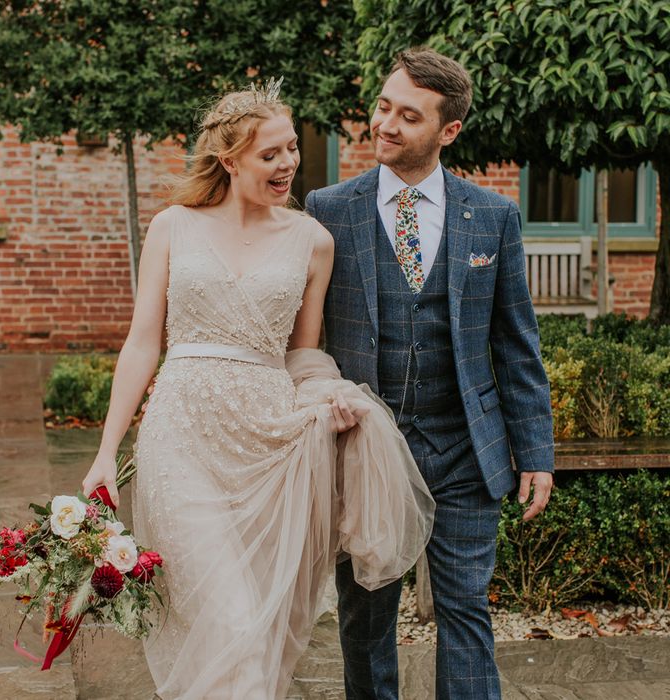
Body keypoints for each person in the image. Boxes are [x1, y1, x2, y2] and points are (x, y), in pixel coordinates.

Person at [81, 81, 434, 700]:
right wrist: (107, 453)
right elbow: (143, 343)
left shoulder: (311, 240)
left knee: (261, 632)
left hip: (268, 446)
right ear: (230, 159)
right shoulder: (172, 226)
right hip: (181, 439)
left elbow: (303, 352)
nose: (288, 164)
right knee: (232, 620)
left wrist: (328, 396)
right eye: (271, 154)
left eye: (292, 149)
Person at [305, 48, 555, 700]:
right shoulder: (328, 209)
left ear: (448, 131)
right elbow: (304, 337)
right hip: (366, 450)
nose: (384, 123)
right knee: (366, 617)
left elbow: (516, 345)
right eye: (383, 106)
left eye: (407, 116)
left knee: (466, 608)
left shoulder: (493, 218)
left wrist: (536, 453)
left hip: (465, 448)